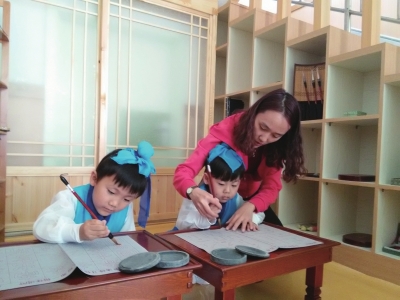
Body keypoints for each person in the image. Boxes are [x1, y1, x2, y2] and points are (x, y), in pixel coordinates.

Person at [174, 88, 306, 232]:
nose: (264, 138)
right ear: (254, 113)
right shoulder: (226, 129)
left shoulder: (277, 147)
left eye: (275, 135)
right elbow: (184, 171)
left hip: (252, 200)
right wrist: (193, 191)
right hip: (216, 198)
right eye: (262, 127)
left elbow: (271, 187)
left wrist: (250, 206)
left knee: (280, 236)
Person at [33, 141, 156, 243]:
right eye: (112, 192)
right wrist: (78, 231)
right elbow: (42, 228)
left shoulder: (125, 208)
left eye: (127, 199)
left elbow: (127, 238)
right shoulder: (70, 198)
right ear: (94, 178)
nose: (115, 203)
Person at [173, 143, 265, 231]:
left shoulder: (236, 198)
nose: (227, 190)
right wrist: (206, 218)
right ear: (206, 178)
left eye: (234, 185)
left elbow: (260, 213)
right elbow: (182, 224)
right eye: (221, 184)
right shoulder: (197, 196)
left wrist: (251, 219)